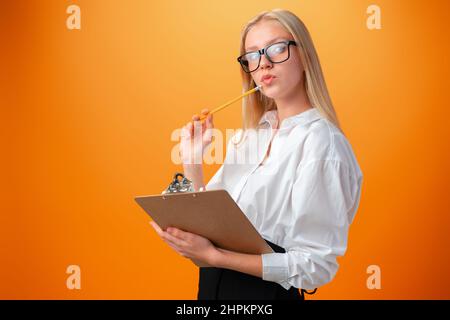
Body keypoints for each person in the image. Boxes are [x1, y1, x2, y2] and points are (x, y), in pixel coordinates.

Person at [150, 8, 363, 300]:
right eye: (252, 55)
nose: (263, 63)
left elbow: (315, 266)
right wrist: (192, 160)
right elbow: (209, 227)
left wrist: (216, 258)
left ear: (305, 56)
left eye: (276, 49)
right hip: (212, 293)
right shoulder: (251, 137)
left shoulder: (322, 144)